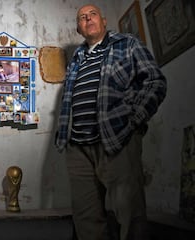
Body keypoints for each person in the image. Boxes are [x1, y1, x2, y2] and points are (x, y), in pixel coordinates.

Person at [55, 4, 167, 240]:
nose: (88, 19)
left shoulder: (128, 44)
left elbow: (155, 82)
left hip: (117, 140)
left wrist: (133, 121)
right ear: (78, 28)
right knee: (86, 219)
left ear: (104, 21)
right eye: (82, 17)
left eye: (92, 14)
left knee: (130, 213)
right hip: (77, 147)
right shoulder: (76, 59)